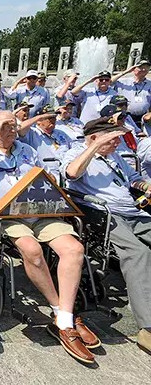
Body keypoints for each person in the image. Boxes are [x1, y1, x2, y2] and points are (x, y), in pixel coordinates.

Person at [0, 110, 100, 364]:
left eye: (14, 125)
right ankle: (63, 316)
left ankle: (64, 318)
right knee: (32, 250)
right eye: (7, 126)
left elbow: (44, 177)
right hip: (6, 216)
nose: (13, 129)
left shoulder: (27, 150)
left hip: (39, 211)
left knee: (74, 249)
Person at [63, 116, 151, 355]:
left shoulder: (115, 157)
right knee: (138, 252)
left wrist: (145, 186)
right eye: (112, 140)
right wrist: (93, 148)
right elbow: (71, 174)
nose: (117, 144)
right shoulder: (75, 154)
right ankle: (148, 328)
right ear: (94, 138)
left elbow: (132, 180)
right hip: (103, 213)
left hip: (133, 211)